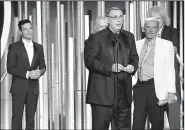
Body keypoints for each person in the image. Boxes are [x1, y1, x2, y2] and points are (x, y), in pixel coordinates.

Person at [84, 7, 139, 130]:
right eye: (115, 17)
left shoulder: (129, 37)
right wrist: (109, 67)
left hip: (124, 93)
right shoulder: (96, 37)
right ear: (108, 20)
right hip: (103, 94)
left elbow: (134, 57)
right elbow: (89, 61)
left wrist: (132, 66)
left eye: (120, 17)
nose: (119, 20)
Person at [132, 17, 176, 130]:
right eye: (148, 27)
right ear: (143, 29)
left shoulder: (167, 45)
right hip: (139, 87)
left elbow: (170, 69)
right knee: (137, 122)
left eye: (154, 28)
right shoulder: (137, 44)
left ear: (158, 29)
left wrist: (171, 92)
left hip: (156, 88)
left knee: (157, 123)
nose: (151, 30)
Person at [146, 6, 181, 130]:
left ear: (163, 19)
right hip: (153, 82)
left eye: (158, 18)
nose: (156, 21)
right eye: (153, 18)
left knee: (175, 119)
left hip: (170, 80)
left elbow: (173, 50)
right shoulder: (147, 33)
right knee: (156, 121)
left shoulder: (173, 32)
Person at [7, 19, 46, 130]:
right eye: (25, 29)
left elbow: (43, 66)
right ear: (20, 32)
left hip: (33, 88)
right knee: (17, 119)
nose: (29, 31)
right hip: (18, 88)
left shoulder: (39, 47)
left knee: (31, 121)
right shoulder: (14, 47)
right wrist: (28, 73)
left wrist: (39, 72)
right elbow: (10, 68)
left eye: (30, 28)